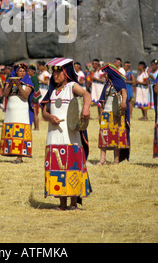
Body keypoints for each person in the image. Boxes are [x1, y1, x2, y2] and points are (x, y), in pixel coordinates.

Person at [41, 58, 92, 211]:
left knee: (72, 168)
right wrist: (50, 117)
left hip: (70, 135)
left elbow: (86, 95)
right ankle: (62, 204)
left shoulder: (71, 86)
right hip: (54, 136)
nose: (55, 75)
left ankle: (73, 204)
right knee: (57, 170)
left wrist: (85, 109)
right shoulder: (51, 91)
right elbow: (44, 112)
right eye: (53, 72)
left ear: (66, 73)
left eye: (58, 72)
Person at [0, 63, 34, 164]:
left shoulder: (28, 81)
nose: (22, 73)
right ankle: (11, 152)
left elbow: (25, 95)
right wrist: (10, 84)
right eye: (20, 71)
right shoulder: (9, 80)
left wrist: (19, 85)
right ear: (16, 72)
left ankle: (20, 157)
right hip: (11, 110)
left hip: (21, 110)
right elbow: (5, 94)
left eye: (23, 71)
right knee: (11, 131)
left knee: (20, 132)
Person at [96, 63, 130, 165]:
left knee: (117, 136)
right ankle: (103, 159)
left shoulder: (119, 82)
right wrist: (101, 114)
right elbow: (102, 101)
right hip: (106, 113)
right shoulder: (107, 84)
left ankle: (116, 160)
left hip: (117, 113)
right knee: (103, 135)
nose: (104, 75)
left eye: (105, 73)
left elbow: (124, 91)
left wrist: (124, 102)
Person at [27, 64, 41, 130]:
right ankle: (36, 127)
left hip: (34, 97)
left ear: (32, 71)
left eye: (29, 71)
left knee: (35, 113)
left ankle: (37, 127)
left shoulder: (33, 78)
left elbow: (34, 88)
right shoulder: (34, 77)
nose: (28, 72)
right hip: (35, 96)